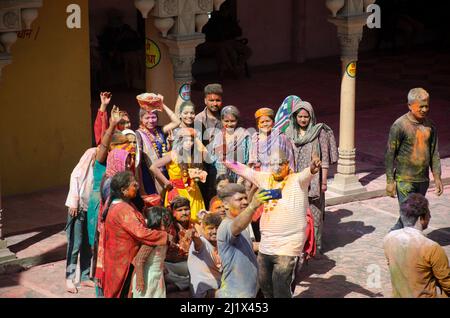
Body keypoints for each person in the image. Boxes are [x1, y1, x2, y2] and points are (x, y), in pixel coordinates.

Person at [224, 151, 321, 298]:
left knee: (281, 285)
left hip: (289, 243)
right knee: (265, 286)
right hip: (267, 243)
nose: (276, 167)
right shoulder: (265, 178)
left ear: (287, 164)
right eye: (272, 164)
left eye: (280, 163)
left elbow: (309, 172)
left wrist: (313, 167)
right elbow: (245, 171)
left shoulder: (297, 180)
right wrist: (225, 160)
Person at [100, 171, 169, 298]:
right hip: (122, 261)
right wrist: (164, 236)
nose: (137, 186)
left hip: (119, 257)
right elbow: (141, 233)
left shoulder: (124, 205)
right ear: (123, 190)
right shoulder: (123, 209)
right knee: (122, 292)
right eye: (134, 185)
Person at [385, 88, 443, 231]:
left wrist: (437, 177)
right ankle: (406, 246)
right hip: (405, 180)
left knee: (411, 215)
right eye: (420, 106)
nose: (424, 109)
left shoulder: (430, 126)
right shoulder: (399, 126)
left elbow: (434, 153)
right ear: (410, 106)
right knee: (410, 216)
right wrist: (389, 181)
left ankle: (394, 236)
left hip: (422, 180)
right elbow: (389, 154)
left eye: (426, 106)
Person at [285, 100, 337, 254]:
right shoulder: (289, 133)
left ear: (311, 117)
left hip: (314, 180)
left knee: (315, 213)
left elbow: (325, 160)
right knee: (297, 213)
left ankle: (316, 247)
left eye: (306, 117)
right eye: (300, 116)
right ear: (295, 117)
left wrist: (323, 182)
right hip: (295, 180)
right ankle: (300, 245)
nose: (302, 120)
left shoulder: (318, 132)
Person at [383, 193, 450, 297]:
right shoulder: (432, 248)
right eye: (428, 213)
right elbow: (447, 282)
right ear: (421, 218)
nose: (430, 216)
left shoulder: (389, 238)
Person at [215, 184, 270, 298]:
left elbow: (249, 246)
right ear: (225, 205)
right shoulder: (227, 226)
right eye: (239, 199)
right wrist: (253, 205)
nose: (245, 202)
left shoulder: (241, 227)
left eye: (245, 198)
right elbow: (237, 226)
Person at [150, 128, 207, 223]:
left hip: (193, 191)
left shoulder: (193, 155)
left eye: (191, 140)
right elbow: (153, 167)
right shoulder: (173, 154)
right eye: (186, 140)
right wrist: (166, 182)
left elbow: (206, 154)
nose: (189, 143)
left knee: (197, 219)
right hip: (177, 191)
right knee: (179, 220)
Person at [64, 147, 97, 293]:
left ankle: (84, 276)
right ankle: (69, 278)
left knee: (87, 244)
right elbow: (75, 178)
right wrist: (74, 201)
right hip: (77, 209)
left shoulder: (98, 170)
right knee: (75, 245)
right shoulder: (82, 169)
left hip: (89, 210)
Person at [135, 94, 181, 196]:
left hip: (165, 173)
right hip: (149, 176)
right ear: (141, 119)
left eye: (153, 117)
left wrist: (162, 104)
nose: (151, 121)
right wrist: (141, 187)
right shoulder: (138, 135)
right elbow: (137, 163)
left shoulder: (160, 131)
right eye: (147, 118)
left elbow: (177, 121)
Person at [131, 206, 173, 298]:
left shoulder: (163, 238)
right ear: (156, 221)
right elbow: (139, 260)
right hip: (147, 277)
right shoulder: (153, 239)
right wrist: (140, 280)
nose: (168, 224)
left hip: (157, 276)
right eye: (165, 221)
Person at [194, 84, 224, 207]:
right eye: (211, 100)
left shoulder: (226, 116)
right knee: (210, 196)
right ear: (205, 100)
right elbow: (196, 146)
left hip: (224, 162)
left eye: (218, 100)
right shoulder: (199, 119)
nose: (215, 103)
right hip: (206, 165)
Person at [211, 105, 250, 183]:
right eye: (226, 121)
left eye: (232, 121)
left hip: (240, 175)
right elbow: (213, 157)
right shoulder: (218, 136)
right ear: (222, 120)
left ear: (237, 120)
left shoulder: (244, 135)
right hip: (222, 175)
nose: (229, 124)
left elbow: (249, 157)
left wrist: (242, 176)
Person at [188, 212, 223, 298]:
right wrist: (194, 237)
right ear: (203, 229)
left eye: (217, 228)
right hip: (204, 293)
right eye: (210, 228)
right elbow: (198, 243)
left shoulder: (220, 244)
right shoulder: (201, 242)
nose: (215, 231)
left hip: (218, 287)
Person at [249, 107, 294, 172]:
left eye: (267, 121)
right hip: (259, 177)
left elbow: (290, 160)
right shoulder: (255, 140)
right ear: (258, 125)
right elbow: (251, 162)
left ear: (273, 123)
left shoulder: (281, 138)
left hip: (278, 176)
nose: (265, 124)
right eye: (262, 122)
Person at [164, 197, 194, 292]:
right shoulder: (169, 228)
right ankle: (185, 283)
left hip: (188, 264)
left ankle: (179, 285)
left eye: (186, 209)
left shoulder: (195, 226)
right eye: (180, 210)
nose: (184, 213)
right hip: (171, 265)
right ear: (173, 213)